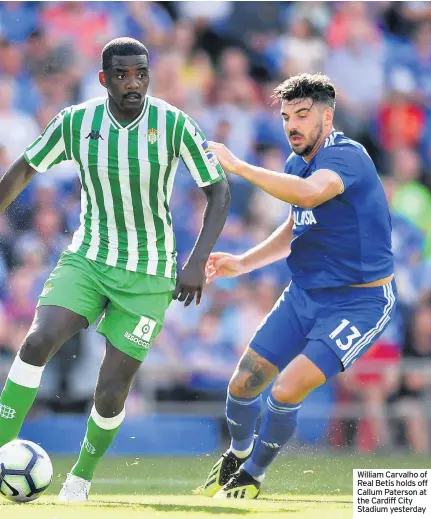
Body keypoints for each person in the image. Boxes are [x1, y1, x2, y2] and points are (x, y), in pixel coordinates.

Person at [0, 37, 230, 502]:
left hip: (149, 273)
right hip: (88, 257)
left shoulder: (174, 124)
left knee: (110, 389)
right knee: (38, 340)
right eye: (122, 74)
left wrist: (196, 261)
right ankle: (3, 449)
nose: (133, 82)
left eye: (140, 73)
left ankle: (80, 479)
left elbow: (218, 190)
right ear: (104, 79)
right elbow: (26, 167)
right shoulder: (76, 122)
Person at [200, 73, 396, 499]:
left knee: (287, 388)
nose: (292, 124)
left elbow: (310, 196)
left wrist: (237, 165)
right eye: (287, 116)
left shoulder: (348, 156)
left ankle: (251, 478)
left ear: (327, 117)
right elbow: (297, 224)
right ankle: (235, 456)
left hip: (359, 302)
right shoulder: (295, 163)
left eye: (302, 115)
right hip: (304, 295)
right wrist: (244, 262)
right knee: (243, 383)